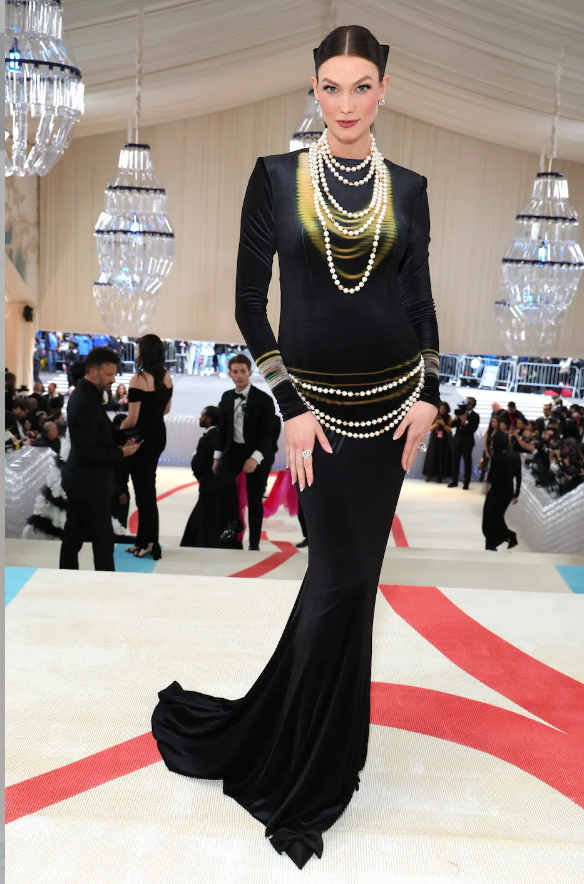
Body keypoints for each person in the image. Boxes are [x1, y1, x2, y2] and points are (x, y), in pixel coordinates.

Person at [151, 26, 440, 870]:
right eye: (331, 87)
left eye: (361, 86)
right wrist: (288, 405)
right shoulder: (275, 179)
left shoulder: (410, 189)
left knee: (351, 587)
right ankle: (297, 760)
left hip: (393, 414)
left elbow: (420, 302)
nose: (345, 103)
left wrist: (432, 392)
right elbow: (250, 303)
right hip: (315, 415)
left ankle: (326, 751)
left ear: (384, 89)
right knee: (338, 579)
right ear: (314, 90)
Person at [60, 348, 139, 571]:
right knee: (99, 538)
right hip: (88, 481)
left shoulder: (88, 395)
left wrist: (118, 440)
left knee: (78, 535)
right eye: (109, 374)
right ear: (93, 371)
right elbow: (88, 450)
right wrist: (122, 453)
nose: (113, 379)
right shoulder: (85, 401)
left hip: (86, 479)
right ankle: (103, 581)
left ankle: (70, 577)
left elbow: (95, 437)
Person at [212, 353, 276, 550]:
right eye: (235, 372)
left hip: (259, 451)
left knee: (254, 498)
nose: (239, 376)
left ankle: (254, 543)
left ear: (250, 372)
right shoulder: (226, 397)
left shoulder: (264, 400)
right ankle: (234, 521)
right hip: (235, 449)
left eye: (242, 372)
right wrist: (217, 457)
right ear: (229, 374)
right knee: (221, 479)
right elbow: (223, 430)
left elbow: (268, 435)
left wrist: (255, 459)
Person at [121, 334, 173, 559]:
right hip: (158, 434)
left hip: (141, 438)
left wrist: (117, 432)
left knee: (144, 492)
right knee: (145, 490)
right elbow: (166, 409)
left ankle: (150, 542)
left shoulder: (138, 379)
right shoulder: (167, 376)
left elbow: (132, 418)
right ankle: (143, 540)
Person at [180, 406, 221, 548]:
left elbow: (199, 463)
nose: (200, 418)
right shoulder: (221, 436)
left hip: (208, 484)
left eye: (202, 416)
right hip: (217, 484)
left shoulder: (207, 439)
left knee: (205, 517)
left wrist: (199, 474)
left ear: (209, 419)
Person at [482, 432, 520, 551]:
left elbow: (492, 478)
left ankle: (504, 538)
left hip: (497, 491)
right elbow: (518, 476)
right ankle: (502, 539)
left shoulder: (497, 457)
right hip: (508, 491)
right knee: (497, 517)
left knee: (489, 518)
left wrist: (486, 469)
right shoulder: (515, 456)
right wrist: (516, 493)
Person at [448, 397, 480, 489]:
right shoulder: (460, 412)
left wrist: (465, 421)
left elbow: (473, 429)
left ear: (472, 405)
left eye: (468, 403)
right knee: (455, 462)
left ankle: (466, 483)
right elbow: (452, 425)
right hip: (457, 441)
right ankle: (454, 480)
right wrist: (457, 418)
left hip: (467, 442)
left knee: (467, 463)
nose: (466, 404)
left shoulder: (475, 416)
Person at [422, 400, 452, 482]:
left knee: (442, 456)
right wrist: (436, 424)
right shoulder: (435, 415)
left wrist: (443, 424)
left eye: (444, 409)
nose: (442, 410)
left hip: (444, 440)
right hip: (434, 439)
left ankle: (440, 476)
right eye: (441, 408)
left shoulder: (449, 417)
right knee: (432, 456)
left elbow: (449, 430)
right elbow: (430, 428)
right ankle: (430, 474)